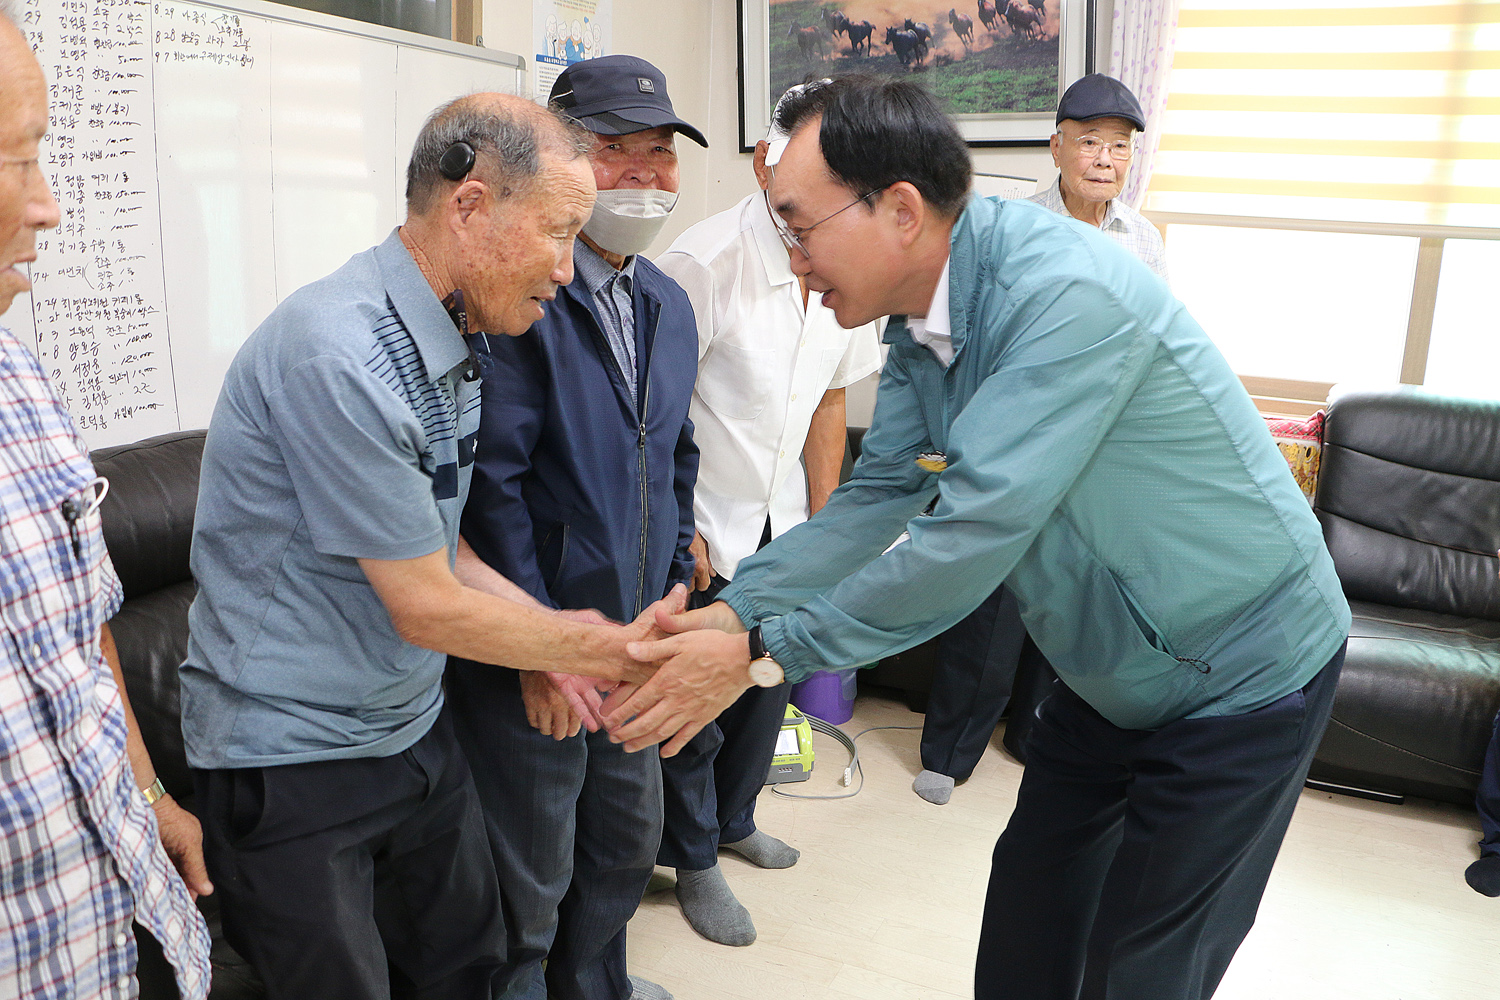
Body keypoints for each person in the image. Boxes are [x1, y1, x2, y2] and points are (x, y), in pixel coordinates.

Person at [605, 76, 1352, 1000]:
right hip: (1109, 672)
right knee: (1029, 927)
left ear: (902, 211)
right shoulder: (923, 315)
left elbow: (969, 537)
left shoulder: (1067, 295)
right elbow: (884, 491)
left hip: (1243, 674)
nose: (791, 258)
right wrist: (738, 610)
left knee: (1144, 967)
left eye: (799, 225)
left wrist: (762, 653)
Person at [179, 92, 671, 1000]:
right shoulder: (343, 354)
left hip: (407, 725)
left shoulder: (452, 333)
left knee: (469, 964)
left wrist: (553, 646)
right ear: (471, 206)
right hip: (291, 756)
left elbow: (441, 545)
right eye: (558, 233)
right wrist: (616, 648)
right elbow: (423, 603)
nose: (568, 270)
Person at [446, 55, 703, 1000]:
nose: (645, 174)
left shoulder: (667, 304)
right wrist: (538, 649)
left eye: (661, 155)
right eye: (617, 152)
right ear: (562, 160)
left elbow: (677, 455)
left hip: (636, 641)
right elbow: (491, 492)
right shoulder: (519, 303)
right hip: (541, 652)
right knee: (533, 872)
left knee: (627, 846)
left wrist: (677, 588)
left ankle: (593, 986)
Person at [0, 9, 213, 997]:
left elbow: (81, 628)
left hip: (120, 926)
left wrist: (150, 788)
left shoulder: (21, 379)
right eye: (15, 159)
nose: (47, 207)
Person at [651, 82, 881, 945]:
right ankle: (693, 858)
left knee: (766, 684)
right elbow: (658, 410)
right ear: (765, 159)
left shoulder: (841, 251)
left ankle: (736, 819)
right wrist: (684, 527)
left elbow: (829, 400)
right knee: (699, 703)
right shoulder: (703, 262)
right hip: (707, 519)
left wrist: (828, 532)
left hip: (786, 516)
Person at [913, 73, 1170, 806]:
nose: (1104, 160)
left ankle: (1031, 734)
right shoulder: (1004, 227)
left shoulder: (1143, 239)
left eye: (1118, 148)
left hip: (1099, 449)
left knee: (1075, 595)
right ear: (1056, 146)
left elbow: (1152, 341)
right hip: (1016, 439)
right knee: (990, 602)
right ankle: (949, 751)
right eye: (1089, 142)